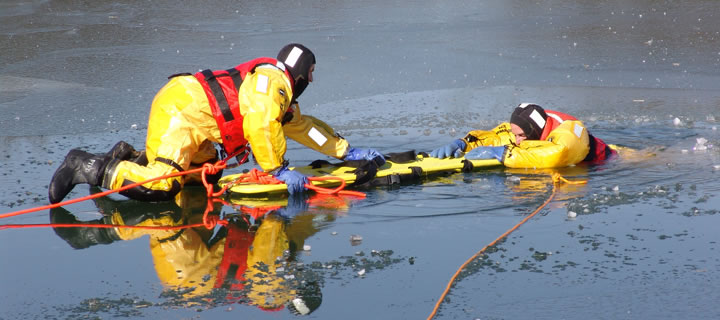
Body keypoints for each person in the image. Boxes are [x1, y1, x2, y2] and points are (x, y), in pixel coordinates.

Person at [48, 43, 385, 204]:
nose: (312, 79)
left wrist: (346, 151)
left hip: (194, 117)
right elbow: (261, 124)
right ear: (300, 72)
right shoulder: (273, 85)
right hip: (180, 112)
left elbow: (302, 126)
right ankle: (86, 165)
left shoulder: (278, 91)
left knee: (202, 176)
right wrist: (277, 169)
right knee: (162, 187)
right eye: (311, 73)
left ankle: (133, 158)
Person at [430, 103, 616, 168]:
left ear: (534, 131)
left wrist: (502, 154)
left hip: (609, 162)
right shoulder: (529, 129)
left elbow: (558, 154)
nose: (517, 140)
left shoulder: (568, 132)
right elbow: (497, 137)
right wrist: (463, 144)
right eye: (515, 134)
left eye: (521, 136)